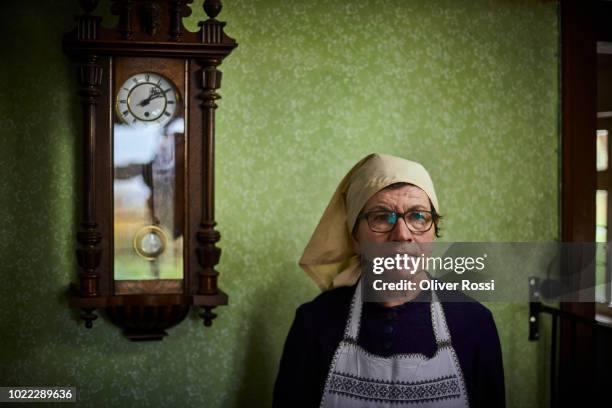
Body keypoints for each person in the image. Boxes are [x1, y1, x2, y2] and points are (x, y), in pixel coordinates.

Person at [272, 153, 505, 408]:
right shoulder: (314, 323)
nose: (402, 234)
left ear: (433, 232)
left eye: (418, 216)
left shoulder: (474, 322)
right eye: (382, 217)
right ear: (354, 237)